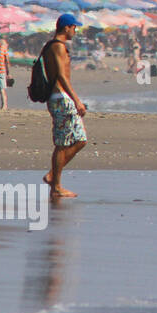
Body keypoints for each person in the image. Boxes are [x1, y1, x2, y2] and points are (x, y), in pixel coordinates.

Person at [42, 13, 88, 198]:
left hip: (61, 97)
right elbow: (61, 75)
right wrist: (76, 100)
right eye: (74, 27)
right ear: (66, 27)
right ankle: (56, 186)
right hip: (61, 98)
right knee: (62, 144)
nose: (75, 31)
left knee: (80, 140)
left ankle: (53, 177)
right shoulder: (58, 47)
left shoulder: (52, 46)